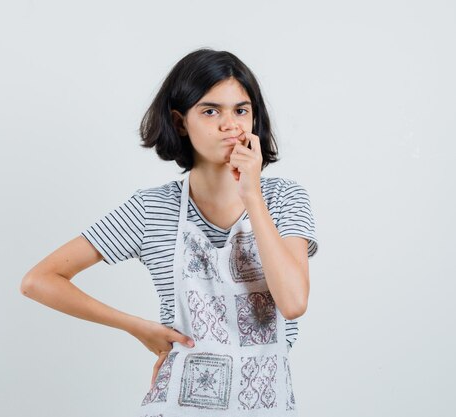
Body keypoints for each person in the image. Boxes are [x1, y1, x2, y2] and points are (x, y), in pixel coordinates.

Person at [20, 48, 318, 416]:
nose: (231, 125)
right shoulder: (151, 209)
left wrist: (252, 196)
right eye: (211, 111)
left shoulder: (284, 198)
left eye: (241, 110)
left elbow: (293, 303)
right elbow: (39, 280)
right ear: (180, 123)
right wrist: (137, 328)